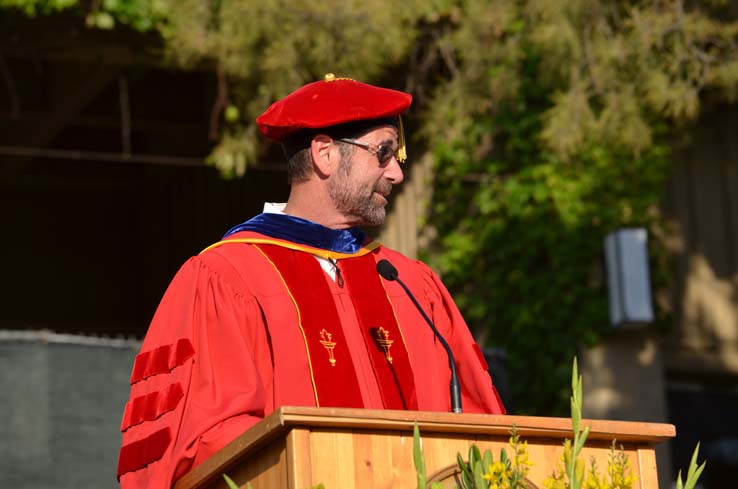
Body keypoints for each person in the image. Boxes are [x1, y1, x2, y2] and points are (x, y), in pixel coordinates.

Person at [117, 74, 506, 488]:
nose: (396, 173)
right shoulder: (228, 277)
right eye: (383, 153)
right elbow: (204, 440)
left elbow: (479, 427)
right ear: (324, 154)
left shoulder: (410, 284)